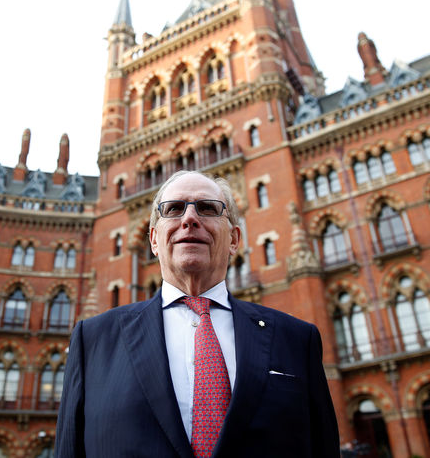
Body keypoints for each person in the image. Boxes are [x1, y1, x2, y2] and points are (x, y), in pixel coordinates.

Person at [55, 171, 340, 457]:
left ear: (234, 239)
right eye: (174, 209)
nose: (189, 219)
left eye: (207, 208)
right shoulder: (92, 341)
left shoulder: (297, 340)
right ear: (154, 240)